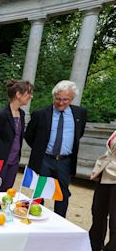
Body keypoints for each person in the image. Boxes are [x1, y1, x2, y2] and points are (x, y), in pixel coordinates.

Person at [25, 80, 87, 217]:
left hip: (65, 162)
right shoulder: (40, 114)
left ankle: (60, 223)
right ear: (53, 96)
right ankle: (35, 220)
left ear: (72, 98)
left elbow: (79, 134)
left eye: (65, 99)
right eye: (58, 99)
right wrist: (40, 149)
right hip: (44, 160)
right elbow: (29, 135)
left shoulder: (80, 114)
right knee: (39, 192)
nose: (61, 102)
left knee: (62, 194)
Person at [0, 80, 34, 192]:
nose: (31, 96)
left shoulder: (22, 114)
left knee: (7, 192)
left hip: (14, 161)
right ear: (18, 94)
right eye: (28, 93)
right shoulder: (0, 115)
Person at [90, 130, 116, 251]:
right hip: (106, 175)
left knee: (115, 218)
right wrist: (98, 168)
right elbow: (109, 153)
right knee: (97, 210)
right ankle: (95, 242)